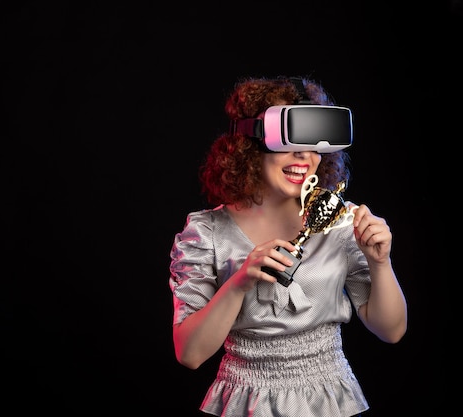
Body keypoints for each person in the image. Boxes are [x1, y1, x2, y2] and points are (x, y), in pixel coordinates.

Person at [168, 76, 407, 417]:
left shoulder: (342, 221)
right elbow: (189, 354)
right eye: (288, 140)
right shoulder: (206, 233)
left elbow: (392, 330)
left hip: (332, 401)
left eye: (313, 143)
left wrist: (380, 262)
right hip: (243, 403)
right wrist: (239, 283)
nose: (303, 156)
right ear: (250, 143)